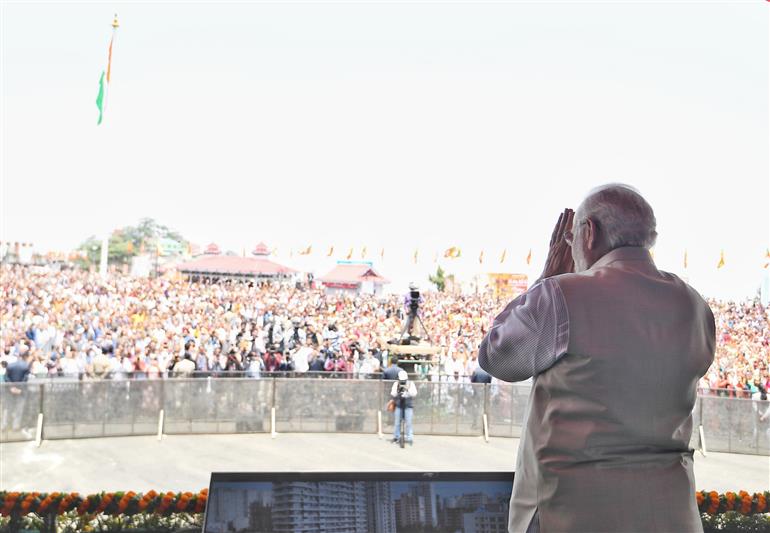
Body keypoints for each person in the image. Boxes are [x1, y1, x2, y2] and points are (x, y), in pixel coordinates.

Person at [479, 184, 715, 532]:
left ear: (589, 233)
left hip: (573, 513)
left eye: (572, 236)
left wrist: (546, 278)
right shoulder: (694, 304)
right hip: (671, 513)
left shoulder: (562, 293)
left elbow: (498, 359)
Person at [391, 370, 417, 445]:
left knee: (408, 422)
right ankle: (396, 437)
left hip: (408, 405)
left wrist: (407, 389)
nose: (402, 382)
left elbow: (414, 393)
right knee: (397, 422)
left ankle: (409, 438)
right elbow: (393, 393)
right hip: (399, 405)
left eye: (404, 381)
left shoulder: (410, 384)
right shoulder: (396, 384)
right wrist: (398, 390)